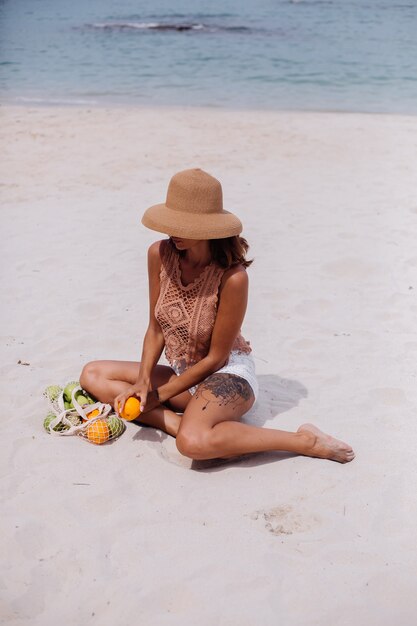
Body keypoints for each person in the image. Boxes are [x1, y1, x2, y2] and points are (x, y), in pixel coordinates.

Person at [80, 168, 355, 463]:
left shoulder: (232, 277)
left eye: (183, 225)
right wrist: (143, 383)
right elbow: (155, 328)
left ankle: (304, 440)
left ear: (208, 228)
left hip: (227, 375)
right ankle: (174, 422)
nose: (172, 232)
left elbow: (216, 358)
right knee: (92, 374)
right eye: (171, 222)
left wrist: (158, 396)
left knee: (192, 443)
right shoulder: (159, 254)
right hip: (182, 373)